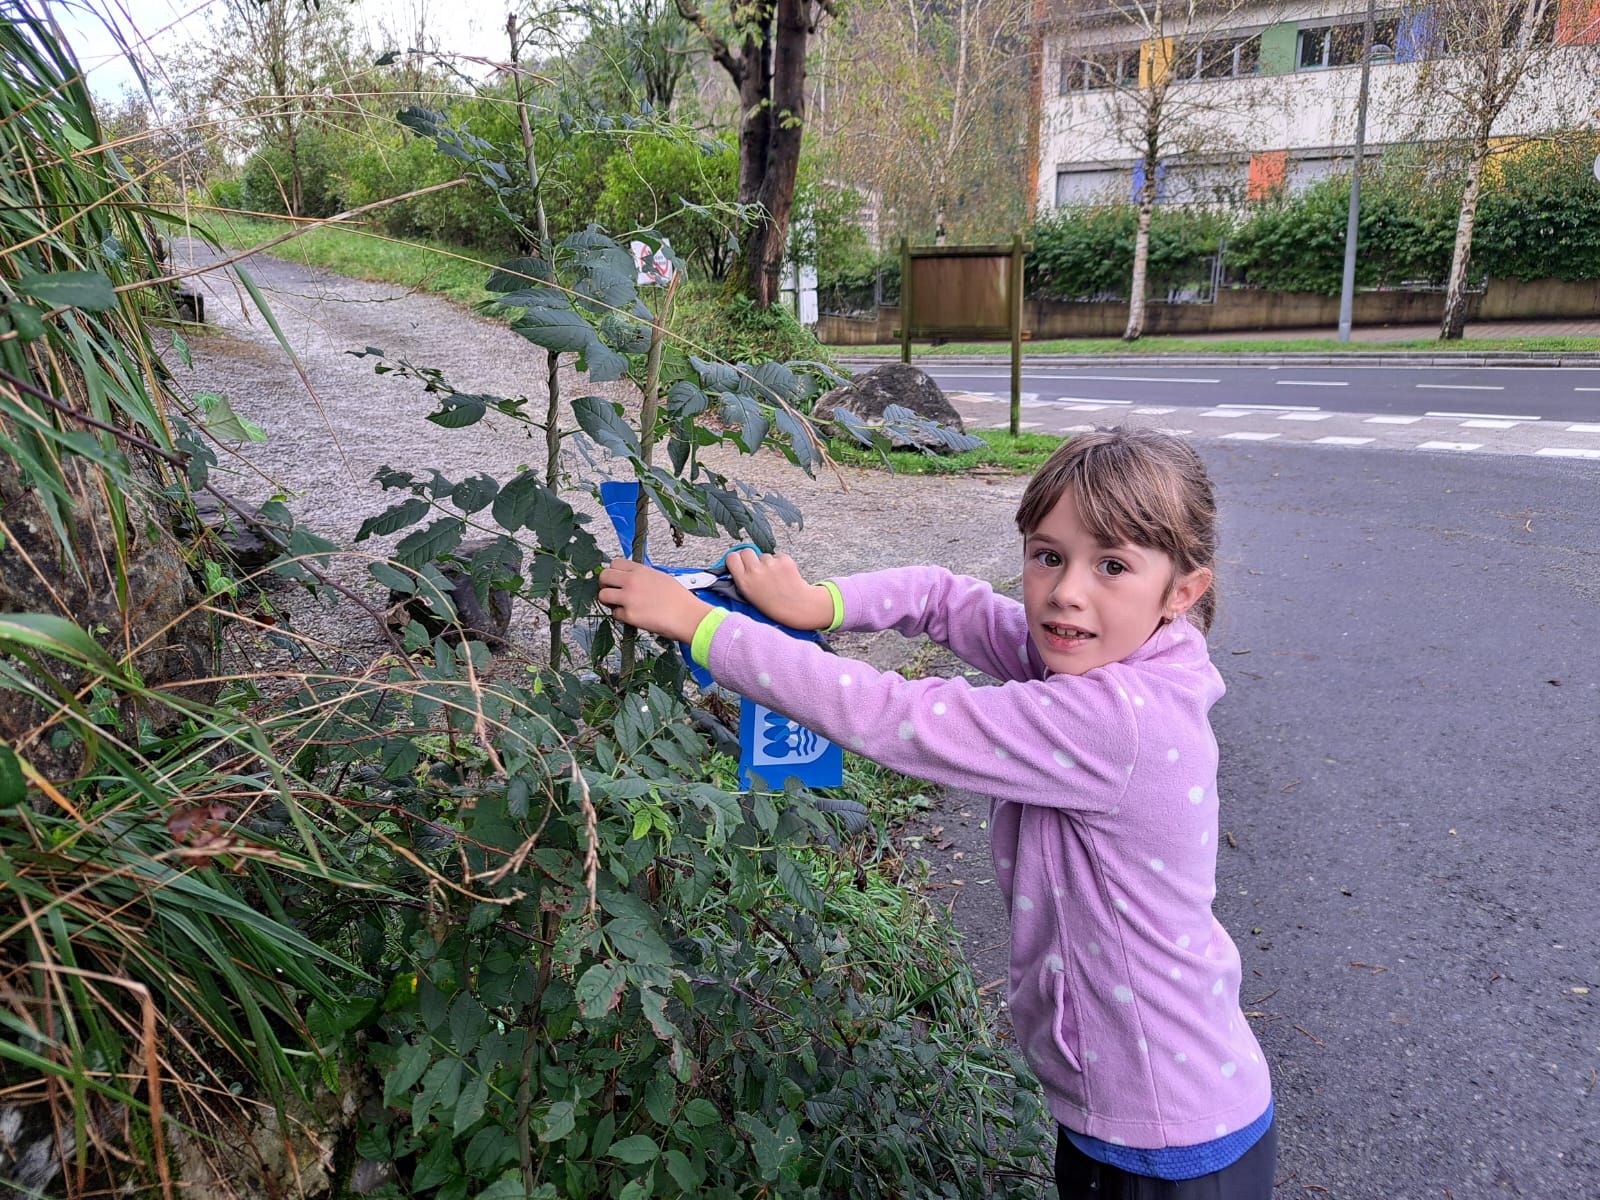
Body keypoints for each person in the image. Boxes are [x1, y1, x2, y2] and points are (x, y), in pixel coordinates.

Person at [598, 427, 1277, 1199]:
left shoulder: (1116, 719)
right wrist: (819, 603)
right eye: (1048, 554)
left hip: (1165, 1137)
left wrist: (702, 625)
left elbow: (892, 714)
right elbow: (943, 598)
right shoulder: (1106, 650)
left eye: (1112, 565)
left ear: (1182, 590)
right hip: (1131, 1108)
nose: (1066, 592)